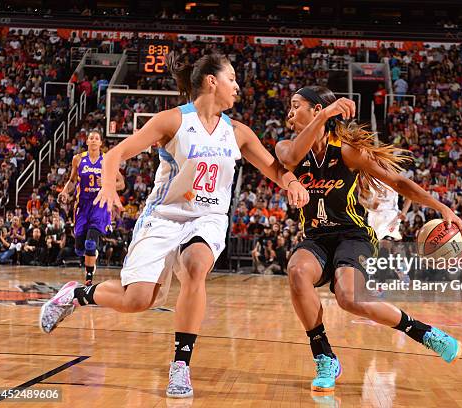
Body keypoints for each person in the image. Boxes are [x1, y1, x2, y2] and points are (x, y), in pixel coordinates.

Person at [39, 52, 309, 399]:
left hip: (207, 218)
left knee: (196, 265)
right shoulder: (173, 121)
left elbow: (274, 169)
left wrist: (292, 184)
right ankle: (77, 295)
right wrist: (108, 184)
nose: (237, 87)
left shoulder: (238, 132)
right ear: (212, 82)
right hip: (164, 217)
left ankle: (181, 365)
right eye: (232, 80)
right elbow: (114, 155)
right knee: (137, 300)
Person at [276, 86, 462, 392]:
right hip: (316, 237)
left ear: (314, 111)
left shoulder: (348, 152)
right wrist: (325, 114)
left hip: (353, 235)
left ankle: (424, 333)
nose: (289, 112)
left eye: (296, 105)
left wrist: (441, 207)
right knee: (297, 270)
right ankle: (324, 356)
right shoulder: (285, 147)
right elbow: (293, 157)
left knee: (349, 298)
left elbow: (398, 181)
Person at [58, 130, 124, 285]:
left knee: (90, 243)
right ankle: (89, 255)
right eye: (91, 138)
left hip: (100, 205)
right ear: (86, 141)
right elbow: (72, 181)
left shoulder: (107, 160)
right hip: (82, 206)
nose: (94, 140)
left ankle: (88, 279)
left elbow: (122, 183)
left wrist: (109, 184)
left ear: (101, 143)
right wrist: (64, 192)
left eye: (97, 138)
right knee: (79, 249)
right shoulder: (78, 159)